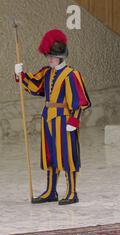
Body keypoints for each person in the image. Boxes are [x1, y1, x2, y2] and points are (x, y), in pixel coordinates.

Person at [14, 29, 91, 205]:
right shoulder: (47, 72)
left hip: (64, 119)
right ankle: (50, 191)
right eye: (48, 56)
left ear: (61, 57)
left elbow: (80, 101)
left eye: (52, 57)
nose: (49, 59)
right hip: (48, 118)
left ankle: (72, 192)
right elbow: (34, 86)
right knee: (50, 154)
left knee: (67, 154)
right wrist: (21, 74)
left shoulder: (72, 74)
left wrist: (74, 120)